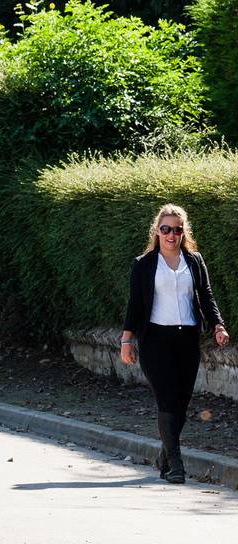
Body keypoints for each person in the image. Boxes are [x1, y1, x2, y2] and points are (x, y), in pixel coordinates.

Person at [120, 203, 230, 484]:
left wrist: (217, 324)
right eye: (166, 229)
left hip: (186, 339)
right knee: (167, 400)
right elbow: (134, 306)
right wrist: (127, 340)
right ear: (157, 231)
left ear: (184, 232)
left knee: (181, 403)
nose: (171, 234)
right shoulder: (144, 264)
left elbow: (206, 296)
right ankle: (177, 464)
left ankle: (165, 456)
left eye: (177, 229)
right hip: (155, 339)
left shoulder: (194, 261)